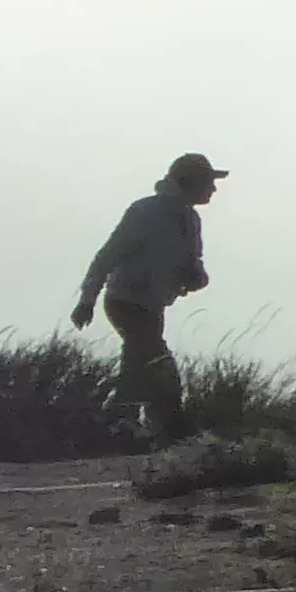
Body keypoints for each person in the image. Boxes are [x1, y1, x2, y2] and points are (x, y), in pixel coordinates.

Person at [73, 154, 225, 443]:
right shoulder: (145, 212)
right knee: (157, 363)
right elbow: (107, 256)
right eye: (209, 182)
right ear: (190, 182)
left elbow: (193, 262)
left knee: (139, 363)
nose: (213, 190)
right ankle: (157, 428)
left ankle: (130, 427)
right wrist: (87, 300)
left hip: (153, 306)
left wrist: (196, 277)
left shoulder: (190, 220)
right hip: (125, 301)